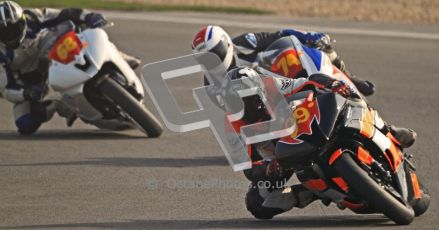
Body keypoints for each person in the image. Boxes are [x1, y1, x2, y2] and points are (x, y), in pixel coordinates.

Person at [223, 66, 416, 220]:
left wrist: (333, 84)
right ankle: (316, 192)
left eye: (244, 99)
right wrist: (267, 168)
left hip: (306, 121)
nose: (240, 107)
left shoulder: (272, 85)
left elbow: (309, 82)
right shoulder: (234, 123)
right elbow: (249, 168)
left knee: (351, 97)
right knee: (258, 203)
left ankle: (389, 130)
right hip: (282, 154)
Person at [0, 1, 140, 135]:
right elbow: (6, 88)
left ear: (22, 20)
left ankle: (120, 57)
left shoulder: (33, 17)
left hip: (52, 49)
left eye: (14, 28)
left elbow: (66, 13)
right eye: (3, 32)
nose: (10, 35)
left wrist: (89, 16)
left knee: (87, 29)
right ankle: (70, 108)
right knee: (25, 124)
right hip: (33, 82)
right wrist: (27, 93)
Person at [191, 25, 376, 96]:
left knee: (318, 47)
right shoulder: (211, 84)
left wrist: (307, 36)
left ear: (225, 45)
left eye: (214, 54)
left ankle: (349, 79)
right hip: (260, 104)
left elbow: (279, 35)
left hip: (276, 75)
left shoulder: (243, 43)